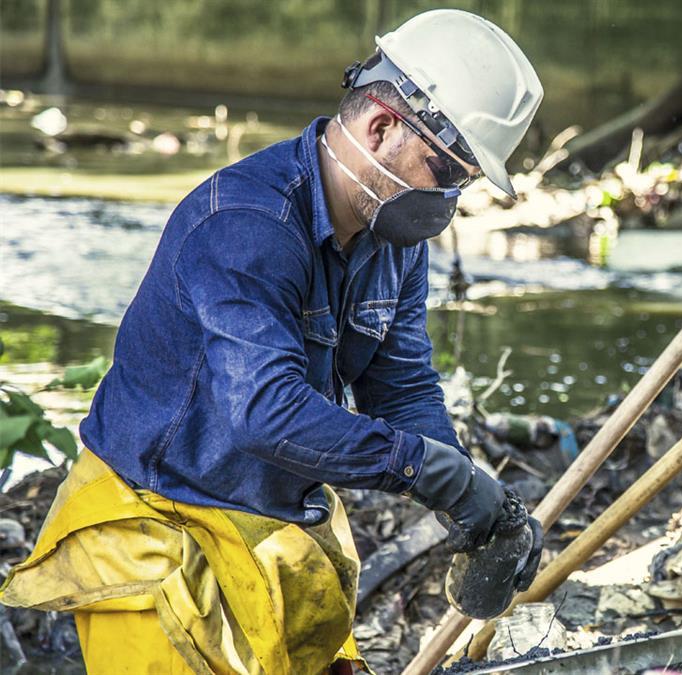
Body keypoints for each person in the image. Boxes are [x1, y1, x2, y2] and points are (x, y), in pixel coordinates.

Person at [0, 9, 544, 674]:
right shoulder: (246, 225)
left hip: (274, 522)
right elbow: (266, 412)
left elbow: (400, 383)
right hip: (158, 530)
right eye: (446, 170)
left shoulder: (392, 237)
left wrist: (471, 497)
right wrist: (429, 472)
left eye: (465, 179)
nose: (450, 198)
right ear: (382, 126)